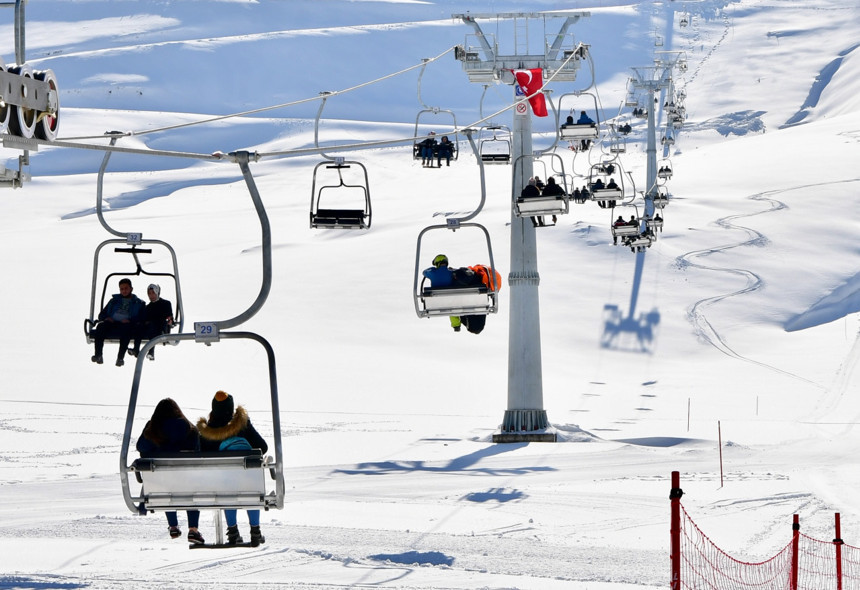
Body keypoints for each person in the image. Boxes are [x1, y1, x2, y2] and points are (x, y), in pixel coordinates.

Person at [197, 390, 268, 547]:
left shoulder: (207, 433)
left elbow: (201, 455)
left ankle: (233, 532)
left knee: (226, 487)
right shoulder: (243, 426)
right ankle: (255, 531)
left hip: (222, 484)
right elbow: (263, 447)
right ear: (231, 408)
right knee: (251, 487)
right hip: (248, 482)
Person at [136, 398, 205, 545]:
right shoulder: (189, 428)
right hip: (186, 480)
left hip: (161, 482)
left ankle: (173, 526)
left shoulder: (152, 428)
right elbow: (197, 453)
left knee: (165, 484)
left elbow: (141, 447)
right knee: (192, 488)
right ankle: (193, 529)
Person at [91, 278, 145, 367]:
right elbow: (101, 315)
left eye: (126, 288)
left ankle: (120, 358)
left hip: (127, 324)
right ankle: (98, 355)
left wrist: (130, 320)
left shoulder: (139, 303)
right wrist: (107, 318)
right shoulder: (114, 301)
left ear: (131, 289)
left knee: (126, 330)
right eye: (122, 289)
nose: (124, 291)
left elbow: (142, 318)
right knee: (100, 327)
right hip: (112, 323)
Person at [130, 284, 173, 361]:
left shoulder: (166, 303)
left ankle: (151, 351)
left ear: (157, 292)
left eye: (153, 293)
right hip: (150, 327)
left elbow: (169, 315)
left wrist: (170, 320)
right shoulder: (148, 307)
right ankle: (136, 349)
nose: (151, 295)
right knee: (140, 326)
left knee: (152, 326)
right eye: (149, 293)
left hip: (161, 327)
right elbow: (145, 318)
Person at [422, 254, 461, 332]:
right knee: (452, 305)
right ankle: (456, 325)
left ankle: (456, 325)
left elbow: (424, 272)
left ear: (437, 263)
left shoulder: (433, 272)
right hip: (450, 301)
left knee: (449, 302)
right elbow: (459, 272)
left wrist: (432, 268)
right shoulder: (451, 272)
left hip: (435, 303)